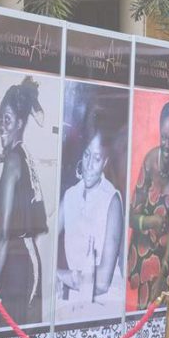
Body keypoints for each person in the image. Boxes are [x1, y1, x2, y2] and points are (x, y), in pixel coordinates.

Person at [0, 77, 48, 328]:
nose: (1, 125)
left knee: (11, 335)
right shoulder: (22, 157)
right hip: (24, 262)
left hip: (19, 266)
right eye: (0, 118)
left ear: (20, 123)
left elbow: (2, 238)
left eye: (7, 119)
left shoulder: (13, 162)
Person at [127, 102, 169, 310]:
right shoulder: (149, 161)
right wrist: (153, 221)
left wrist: (164, 271)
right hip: (141, 252)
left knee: (161, 311)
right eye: (164, 137)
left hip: (164, 253)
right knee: (139, 312)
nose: (167, 144)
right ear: (160, 133)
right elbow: (131, 218)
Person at [57, 130, 123, 303]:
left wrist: (58, 275)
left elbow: (101, 282)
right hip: (75, 296)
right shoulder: (71, 195)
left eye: (97, 158)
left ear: (105, 163)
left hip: (105, 303)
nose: (89, 165)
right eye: (87, 155)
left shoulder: (112, 200)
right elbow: (46, 237)